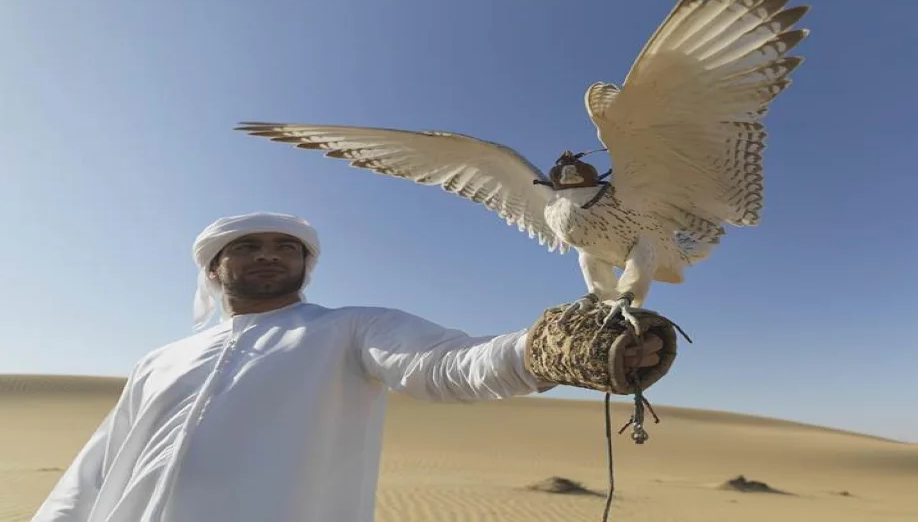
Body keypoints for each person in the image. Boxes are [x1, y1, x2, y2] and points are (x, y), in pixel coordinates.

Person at [32, 211, 670, 522]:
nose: (268, 256)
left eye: (287, 248)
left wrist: (539, 351)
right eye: (247, 246)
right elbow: (97, 466)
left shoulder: (350, 329)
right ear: (213, 268)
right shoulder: (161, 359)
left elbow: (445, 365)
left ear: (306, 267)